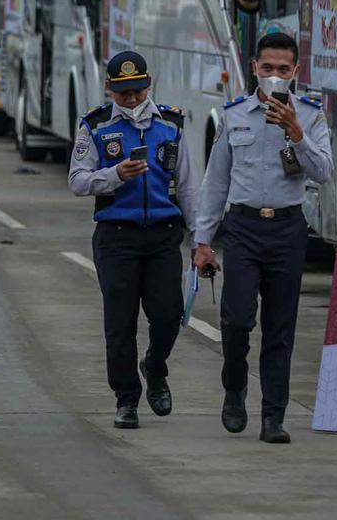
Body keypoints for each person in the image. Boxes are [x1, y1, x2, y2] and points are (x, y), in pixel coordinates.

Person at [193, 32, 332, 444]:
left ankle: (274, 416)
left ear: (296, 72)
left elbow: (323, 172)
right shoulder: (235, 114)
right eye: (267, 68)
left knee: (280, 328)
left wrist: (295, 132)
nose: (275, 76)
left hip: (288, 230)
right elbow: (215, 182)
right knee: (236, 321)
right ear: (254, 68)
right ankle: (234, 388)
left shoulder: (310, 115)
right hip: (243, 228)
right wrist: (202, 240)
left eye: (283, 70)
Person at [67, 51, 197, 430]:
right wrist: (114, 175)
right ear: (110, 89)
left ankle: (155, 367)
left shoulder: (171, 124)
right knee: (120, 324)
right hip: (116, 237)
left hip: (162, 236)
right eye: (124, 93)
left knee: (168, 313)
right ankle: (127, 399)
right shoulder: (95, 126)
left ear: (149, 85)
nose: (132, 100)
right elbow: (77, 180)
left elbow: (188, 187)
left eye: (138, 92)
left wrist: (201, 239)